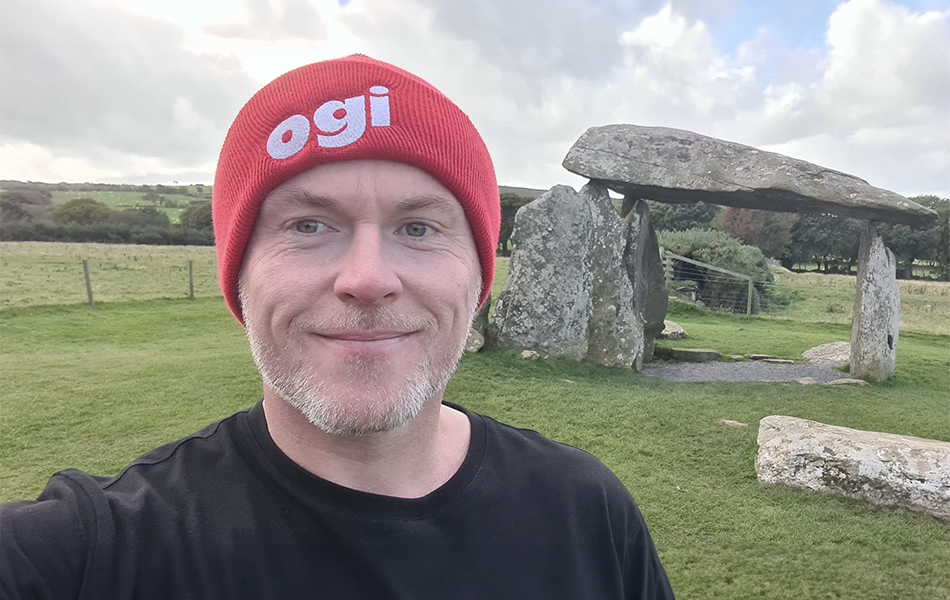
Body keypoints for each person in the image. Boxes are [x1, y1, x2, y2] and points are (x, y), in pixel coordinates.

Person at [0, 55, 674, 600]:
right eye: (308, 225)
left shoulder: (587, 513)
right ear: (238, 275)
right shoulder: (91, 554)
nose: (367, 277)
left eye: (418, 227)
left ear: (478, 280)